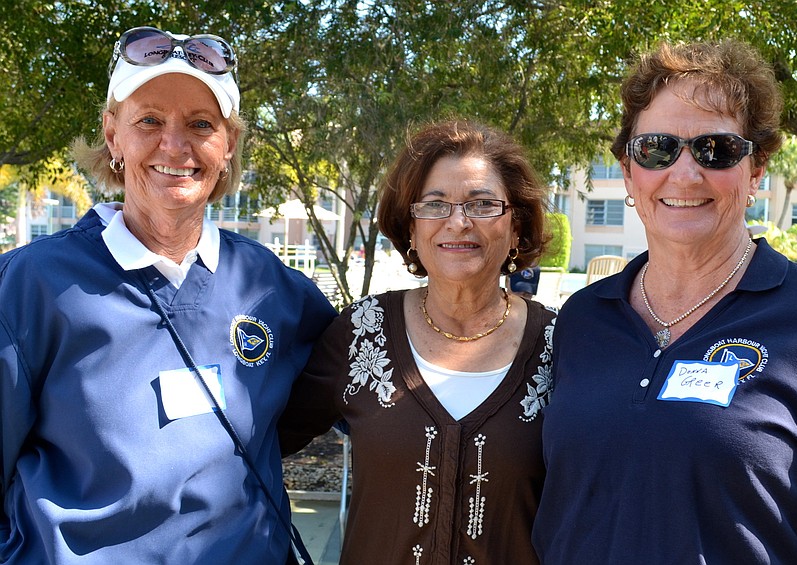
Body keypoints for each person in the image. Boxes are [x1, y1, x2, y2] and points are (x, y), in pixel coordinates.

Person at [0, 26, 336, 564]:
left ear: (227, 146)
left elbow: (357, 387)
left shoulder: (270, 285)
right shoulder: (30, 284)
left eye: (201, 125)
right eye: (149, 121)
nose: (174, 146)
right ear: (113, 135)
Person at [533, 40, 797, 563]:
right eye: (658, 149)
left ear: (757, 168)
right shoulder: (582, 318)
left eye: (716, 149)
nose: (684, 174)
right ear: (630, 171)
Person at [279, 120, 556, 564]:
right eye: (435, 205)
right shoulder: (359, 334)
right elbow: (256, 442)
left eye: (483, 204)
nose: (458, 222)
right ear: (411, 227)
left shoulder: (560, 347)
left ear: (516, 227)